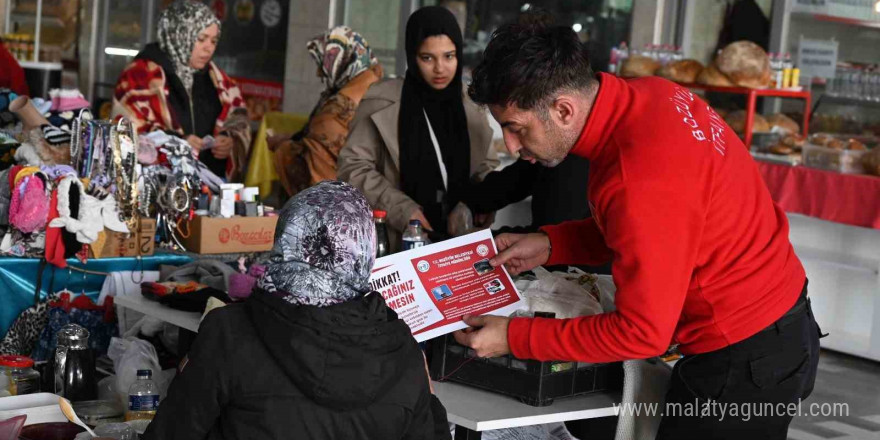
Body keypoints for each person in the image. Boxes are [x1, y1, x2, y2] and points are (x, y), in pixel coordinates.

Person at [453, 24, 821, 438]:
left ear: (563, 110)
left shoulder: (639, 176)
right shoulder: (650, 94)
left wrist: (516, 337)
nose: (511, 145)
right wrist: (553, 243)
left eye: (518, 128)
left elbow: (643, 332)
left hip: (742, 357)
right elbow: (653, 228)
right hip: (778, 317)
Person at [144, 181, 451, 440]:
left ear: (286, 239)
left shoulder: (229, 332)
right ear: (365, 251)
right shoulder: (401, 349)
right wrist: (431, 399)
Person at [337, 6, 498, 249]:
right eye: (427, 58)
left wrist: (479, 201)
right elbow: (353, 167)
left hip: (460, 240)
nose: (440, 68)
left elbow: (486, 165)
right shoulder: (381, 102)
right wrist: (400, 209)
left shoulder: (471, 103)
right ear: (412, 56)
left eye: (449, 56)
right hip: (399, 238)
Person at [112, 0, 250, 181]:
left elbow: (238, 117)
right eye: (200, 39)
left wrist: (229, 139)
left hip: (210, 186)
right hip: (159, 186)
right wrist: (176, 141)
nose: (208, 48)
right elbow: (125, 131)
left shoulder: (217, 79)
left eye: (214, 40)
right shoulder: (141, 75)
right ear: (179, 34)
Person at [271, 26, 383, 199]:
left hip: (337, 209)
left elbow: (317, 175)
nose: (318, 73)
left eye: (323, 65)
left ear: (342, 62)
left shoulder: (334, 112)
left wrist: (283, 148)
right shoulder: (382, 89)